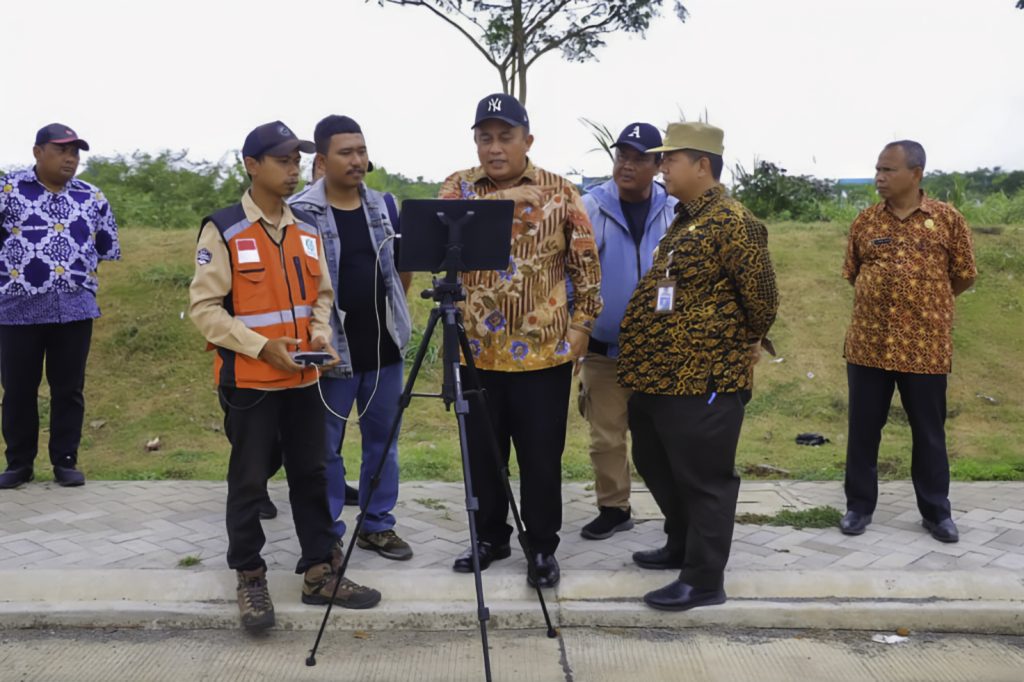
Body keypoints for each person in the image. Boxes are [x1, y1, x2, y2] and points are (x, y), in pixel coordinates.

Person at [189, 121, 381, 631]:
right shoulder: (225, 229)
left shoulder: (306, 228)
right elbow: (205, 309)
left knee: (313, 476)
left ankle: (321, 571)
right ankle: (251, 577)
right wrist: (261, 347)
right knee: (250, 483)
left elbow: (320, 298)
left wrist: (321, 337)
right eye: (282, 160)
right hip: (251, 384)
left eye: (297, 160)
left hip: (303, 383)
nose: (293, 169)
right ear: (252, 165)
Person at [438, 93, 603, 588]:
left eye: (505, 137)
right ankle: (490, 537)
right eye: (484, 137)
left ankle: (541, 546)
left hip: (543, 354)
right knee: (484, 455)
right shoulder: (458, 187)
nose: (494, 148)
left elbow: (586, 266)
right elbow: (434, 230)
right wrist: (496, 202)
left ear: (527, 140)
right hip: (475, 351)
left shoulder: (561, 191)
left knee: (539, 457)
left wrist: (582, 326)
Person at [617, 122, 779, 611]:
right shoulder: (686, 219)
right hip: (658, 378)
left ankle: (704, 579)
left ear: (702, 165)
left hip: (702, 380)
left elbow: (763, 299)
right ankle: (680, 545)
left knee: (704, 480)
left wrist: (738, 342)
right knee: (655, 463)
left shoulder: (734, 222)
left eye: (670, 159)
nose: (661, 166)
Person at [289, 115, 414, 561]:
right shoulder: (301, 212)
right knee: (326, 449)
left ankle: (378, 525)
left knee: (384, 442)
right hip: (330, 354)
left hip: (384, 349)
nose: (357, 160)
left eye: (361, 151)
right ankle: (328, 536)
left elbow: (402, 268)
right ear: (322, 160)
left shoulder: (384, 205)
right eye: (346, 152)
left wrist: (394, 317)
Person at [839, 140, 977, 544]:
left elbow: (964, 275)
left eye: (888, 170)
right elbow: (853, 272)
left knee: (929, 432)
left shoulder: (948, 220)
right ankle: (858, 507)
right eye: (877, 169)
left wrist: (926, 303)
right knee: (863, 430)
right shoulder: (866, 222)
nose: (879, 177)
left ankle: (936, 513)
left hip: (925, 347)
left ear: (915, 174)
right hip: (869, 345)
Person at [0, 124, 121, 489]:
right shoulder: (7, 190)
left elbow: (103, 247)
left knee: (68, 389)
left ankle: (65, 461)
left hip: (74, 309)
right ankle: (19, 463)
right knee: (19, 389)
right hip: (16, 310)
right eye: (62, 150)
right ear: (38, 152)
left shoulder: (92, 196)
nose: (71, 159)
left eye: (76, 152)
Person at [578, 122, 677, 540]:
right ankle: (614, 508)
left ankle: (679, 511)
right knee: (606, 438)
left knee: (666, 438)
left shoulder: (675, 208)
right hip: (604, 348)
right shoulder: (589, 207)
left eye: (639, 158)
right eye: (622, 156)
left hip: (663, 350)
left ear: (658, 164)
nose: (628, 165)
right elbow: (572, 272)